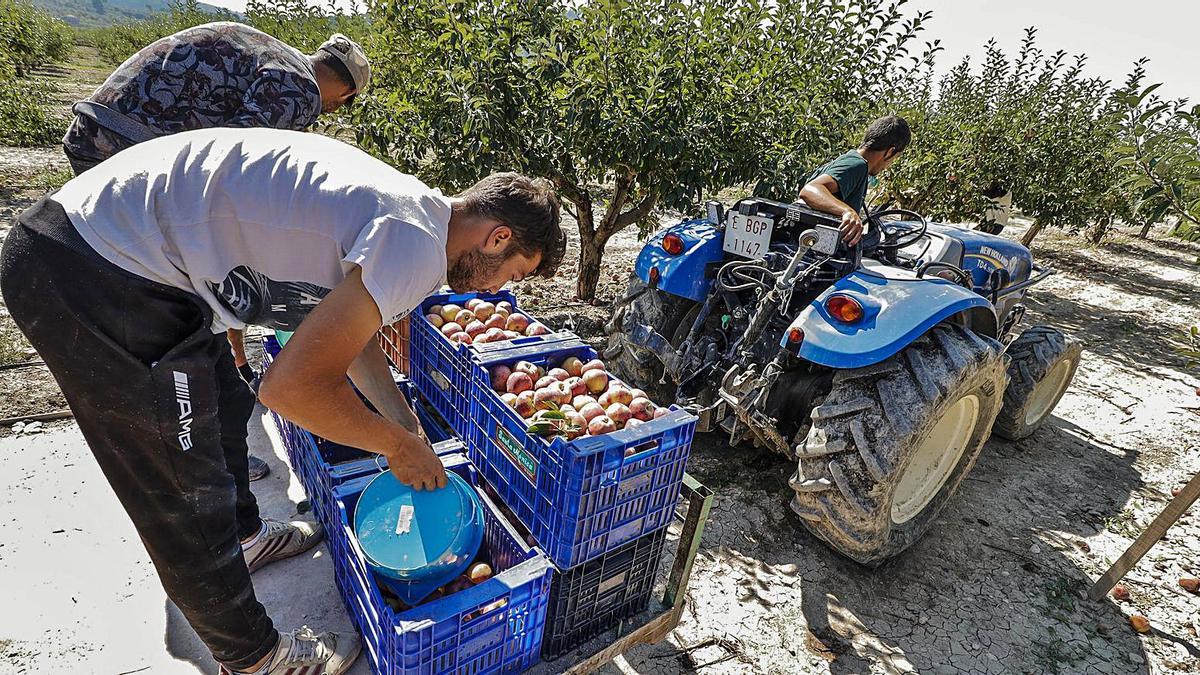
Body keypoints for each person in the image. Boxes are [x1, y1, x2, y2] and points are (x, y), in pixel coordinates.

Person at [1, 127, 565, 675]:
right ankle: (255, 660)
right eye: (514, 273)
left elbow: (350, 340)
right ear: (497, 238)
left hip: (106, 247)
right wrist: (394, 446)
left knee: (220, 405)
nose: (497, 290)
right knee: (182, 487)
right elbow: (289, 388)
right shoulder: (416, 244)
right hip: (100, 268)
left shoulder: (411, 211)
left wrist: (404, 421)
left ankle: (245, 540)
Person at [61, 21, 371, 481]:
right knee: (180, 316)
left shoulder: (276, 56)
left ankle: (204, 437)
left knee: (185, 303)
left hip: (100, 135)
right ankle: (209, 462)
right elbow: (231, 181)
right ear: (343, 95)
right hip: (125, 156)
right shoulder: (298, 93)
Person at [799, 115, 911, 245]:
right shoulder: (857, 165)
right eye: (895, 158)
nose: (889, 164)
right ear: (890, 152)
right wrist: (847, 212)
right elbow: (810, 190)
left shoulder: (852, 161)